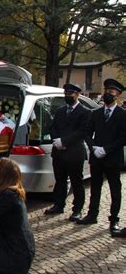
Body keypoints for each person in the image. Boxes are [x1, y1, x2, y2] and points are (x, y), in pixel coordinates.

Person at [78, 79, 126, 236]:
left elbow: (123, 137)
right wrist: (93, 147)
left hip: (112, 157)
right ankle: (92, 215)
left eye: (111, 92)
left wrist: (106, 149)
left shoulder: (122, 114)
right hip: (96, 157)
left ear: (117, 95)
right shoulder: (96, 113)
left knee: (114, 189)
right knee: (95, 187)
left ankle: (114, 220)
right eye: (107, 91)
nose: (108, 94)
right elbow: (87, 132)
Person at [44, 84, 91, 221]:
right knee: (60, 181)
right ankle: (58, 205)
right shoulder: (60, 111)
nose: (67, 96)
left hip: (74, 152)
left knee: (76, 182)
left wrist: (64, 142)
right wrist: (56, 140)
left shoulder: (85, 112)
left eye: (70, 94)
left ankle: (77, 210)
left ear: (77, 95)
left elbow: (82, 131)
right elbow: (52, 127)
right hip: (58, 152)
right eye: (66, 93)